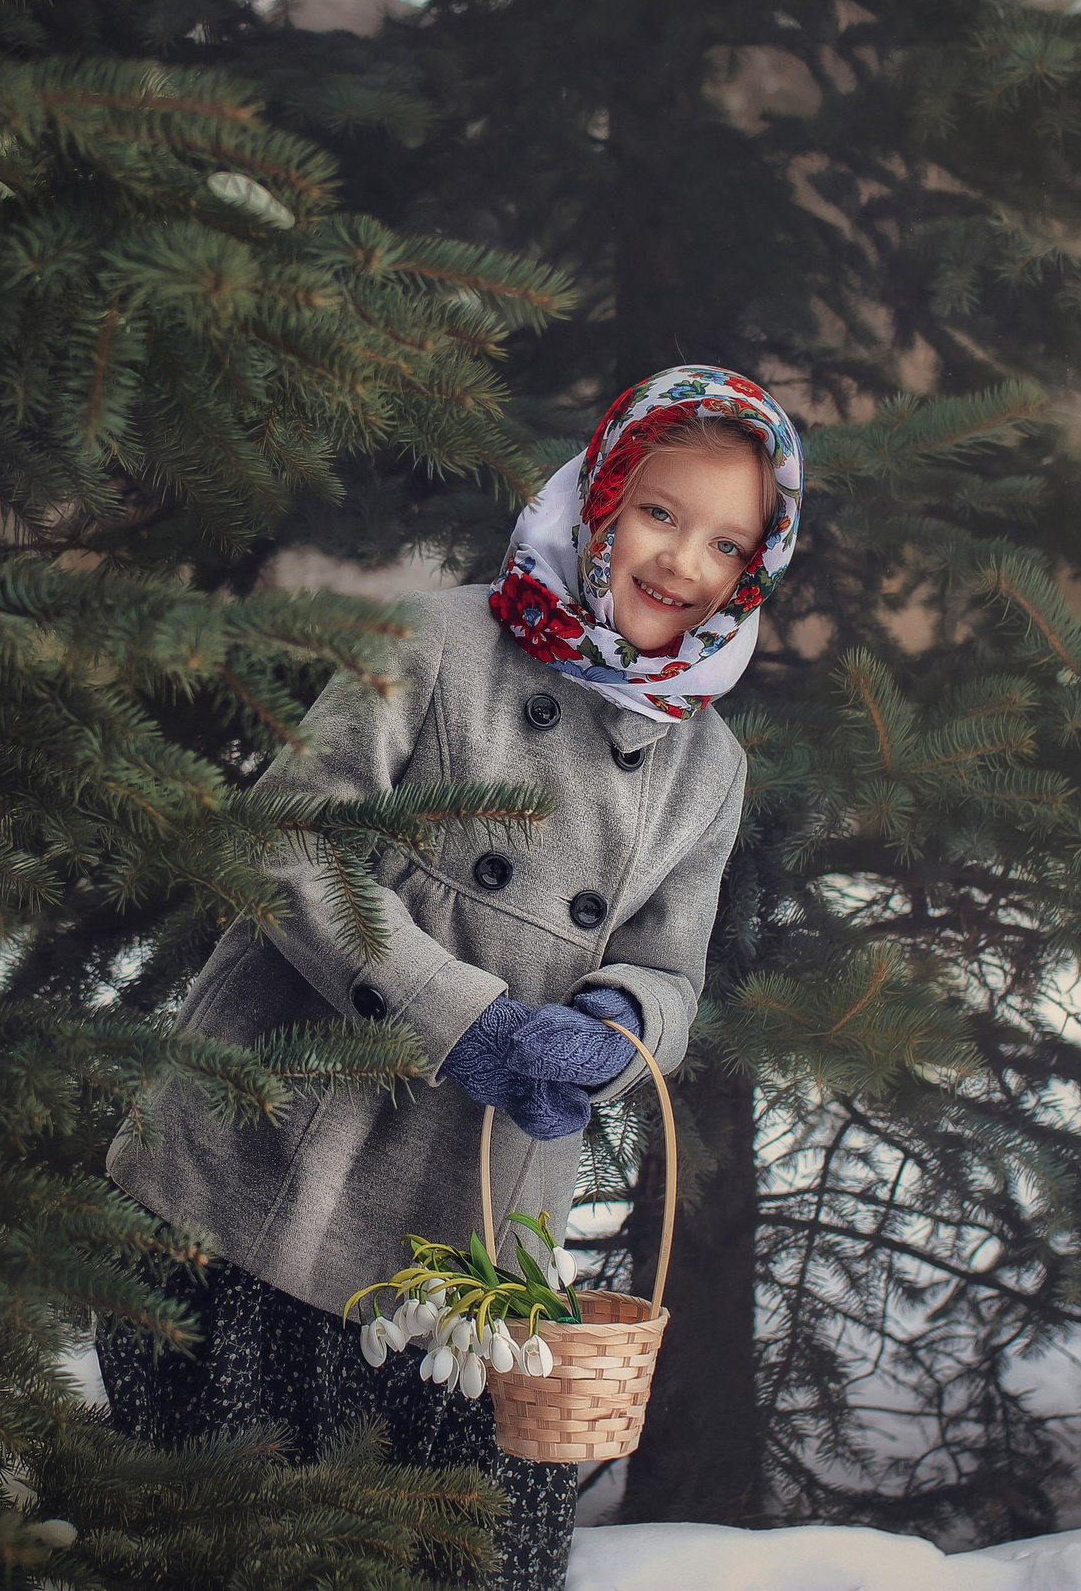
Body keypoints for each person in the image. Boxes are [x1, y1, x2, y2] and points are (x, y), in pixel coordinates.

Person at [102, 367, 803, 1591]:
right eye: (657, 512)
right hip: (275, 1166)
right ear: (596, 498)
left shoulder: (709, 765)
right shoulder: (438, 642)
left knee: (466, 1554)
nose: (682, 561)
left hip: (476, 1220)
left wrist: (618, 1023)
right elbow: (287, 839)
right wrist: (457, 1017)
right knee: (223, 1539)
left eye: (725, 543)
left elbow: (671, 967)